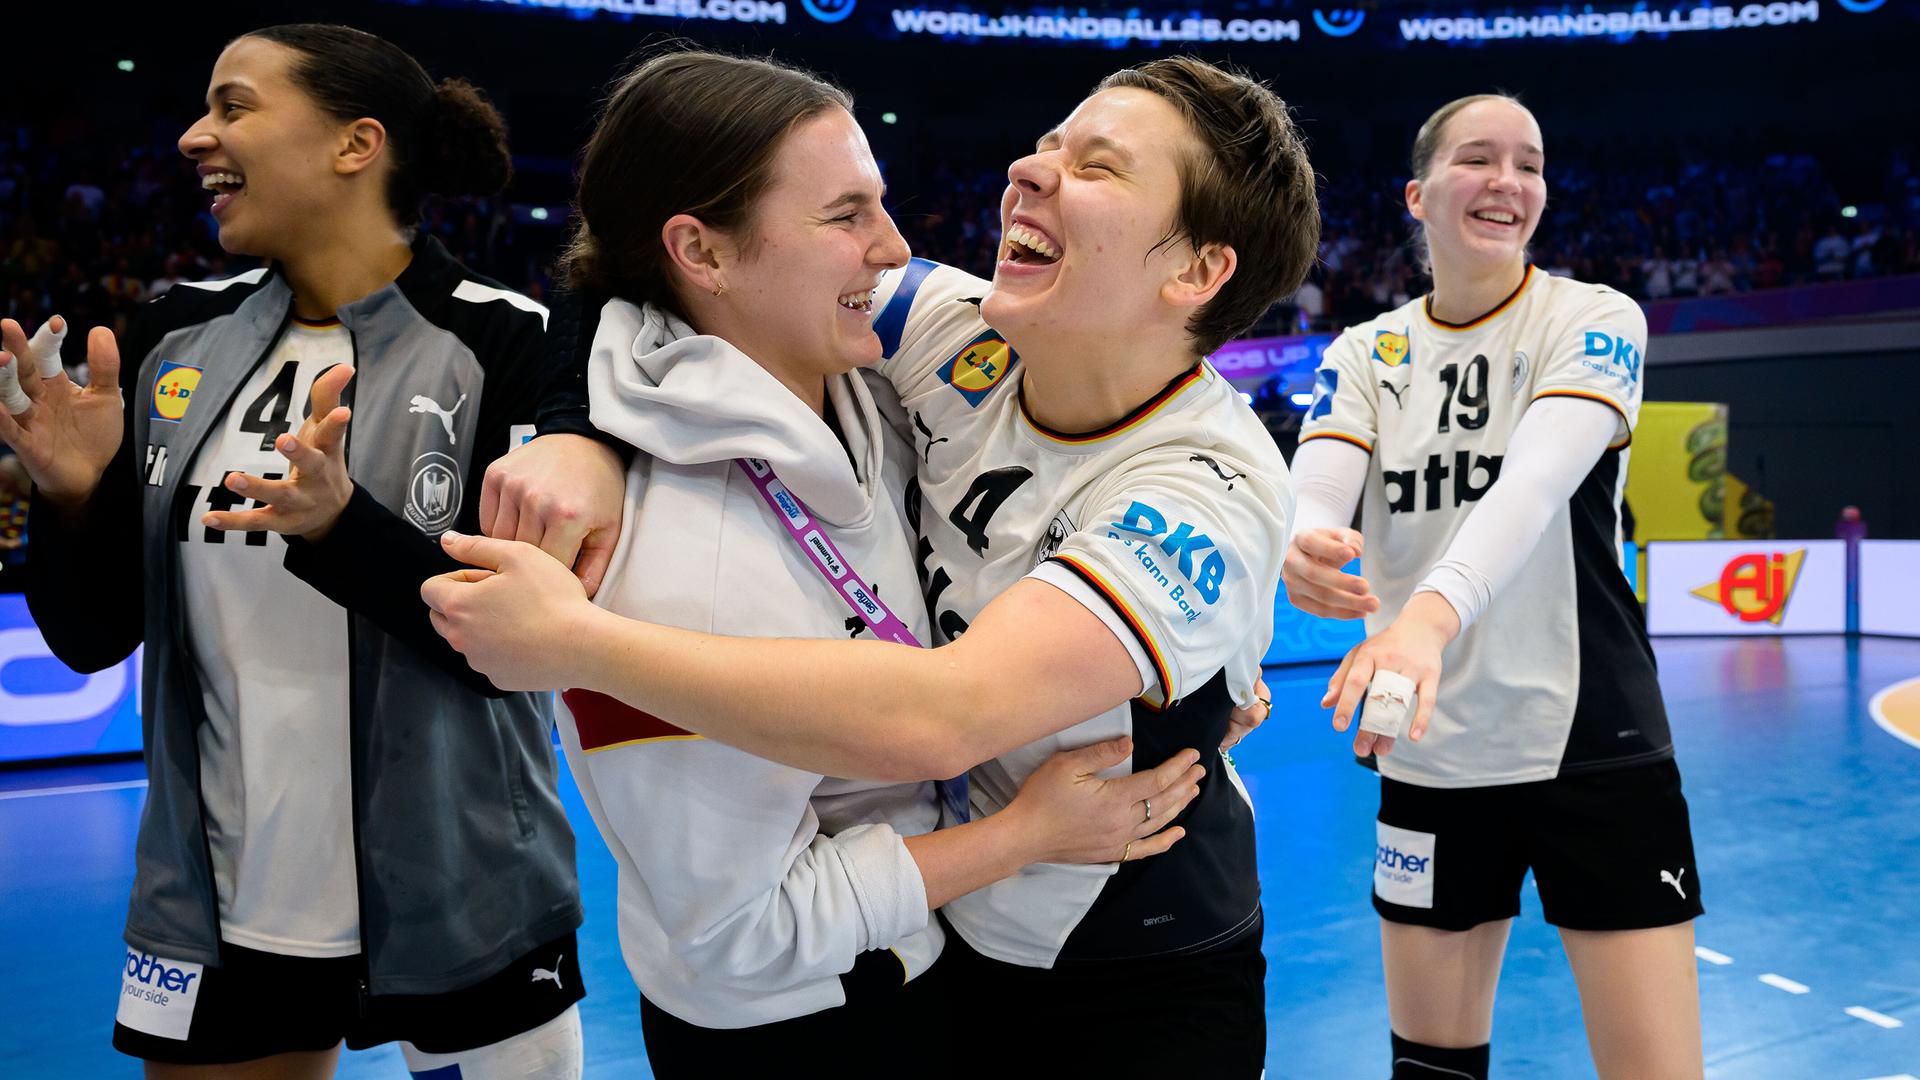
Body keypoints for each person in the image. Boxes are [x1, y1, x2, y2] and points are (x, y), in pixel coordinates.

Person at [427, 54, 1318, 1076]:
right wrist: (572, 433)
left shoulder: (1198, 488)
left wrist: (578, 643)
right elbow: (645, 270)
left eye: (1098, 166)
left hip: (1129, 960)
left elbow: (946, 718)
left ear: (1196, 272)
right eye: (1051, 142)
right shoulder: (953, 330)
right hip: (944, 937)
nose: (1030, 170)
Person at [0, 25, 584, 1078]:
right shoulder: (170, 335)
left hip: (465, 895)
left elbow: (528, 646)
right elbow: (93, 638)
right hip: (224, 904)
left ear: (354, 145)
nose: (192, 137)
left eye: (233, 106)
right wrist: (72, 500)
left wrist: (341, 526)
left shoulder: (511, 341)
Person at [1282, 93, 1702, 1080]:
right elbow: (1319, 487)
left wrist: (1424, 619)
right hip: (1433, 750)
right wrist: (1303, 544)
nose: (1509, 181)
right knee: (1431, 1068)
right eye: (1479, 159)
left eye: (1530, 163)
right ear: (1418, 196)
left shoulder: (1595, 320)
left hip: (1596, 742)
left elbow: (1535, 483)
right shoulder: (1367, 353)